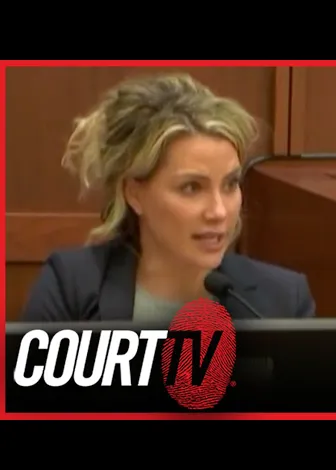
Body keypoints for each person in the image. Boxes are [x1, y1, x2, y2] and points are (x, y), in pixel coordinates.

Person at [21, 73, 316, 322]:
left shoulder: (283, 300)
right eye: (191, 188)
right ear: (134, 193)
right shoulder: (71, 288)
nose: (218, 211)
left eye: (230, 184)